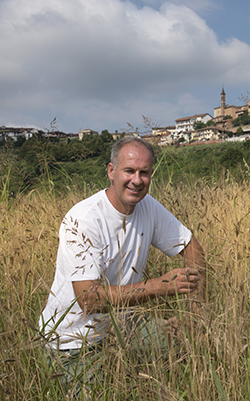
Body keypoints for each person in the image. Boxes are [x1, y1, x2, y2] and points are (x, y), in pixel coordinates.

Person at [39, 136, 205, 395]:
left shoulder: (147, 206)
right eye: (129, 170)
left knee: (189, 340)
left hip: (119, 323)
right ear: (111, 171)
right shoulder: (83, 219)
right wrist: (158, 287)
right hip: (73, 339)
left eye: (145, 173)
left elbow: (191, 247)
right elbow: (88, 299)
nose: (137, 180)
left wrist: (196, 310)